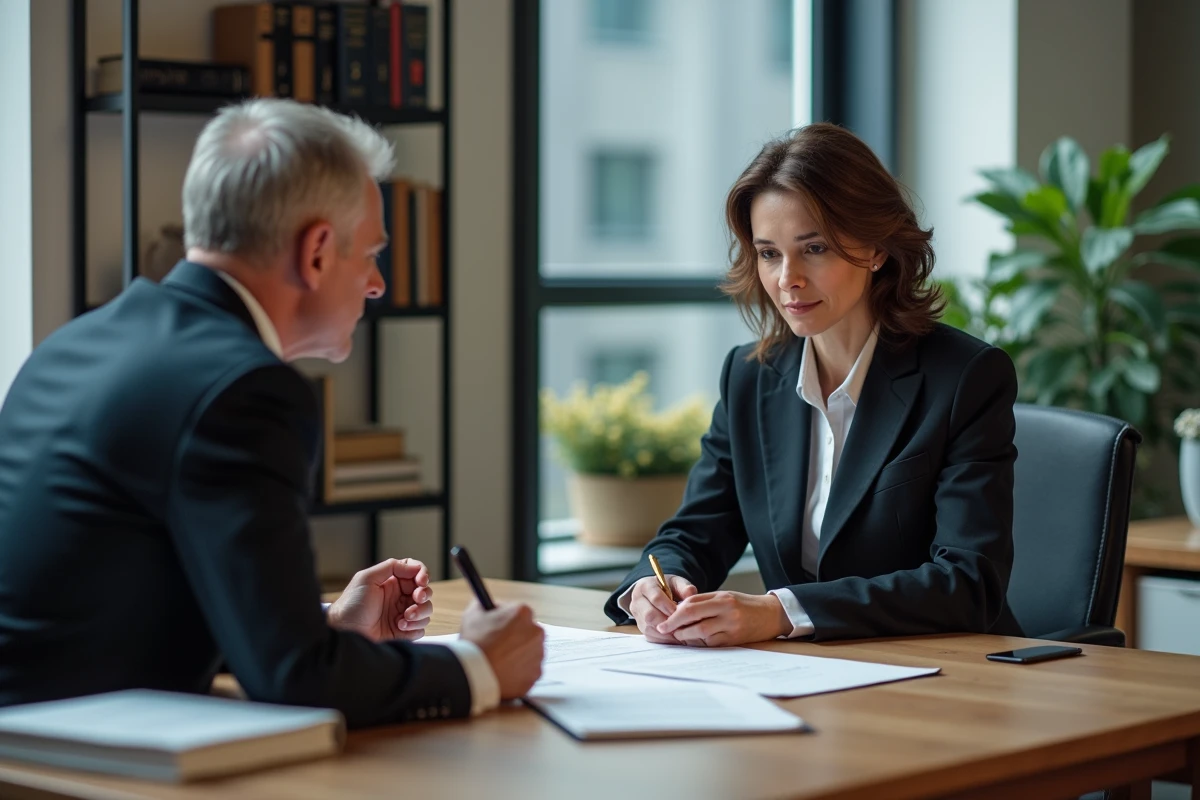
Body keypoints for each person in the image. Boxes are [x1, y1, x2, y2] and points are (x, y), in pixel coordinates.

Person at [0, 98, 544, 726]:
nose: (377, 285)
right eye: (371, 254)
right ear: (317, 252)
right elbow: (296, 682)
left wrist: (326, 629)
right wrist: (478, 665)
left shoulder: (75, 343)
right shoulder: (243, 389)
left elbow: (122, 613)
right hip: (81, 760)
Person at [606, 123, 1024, 647]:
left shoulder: (965, 377)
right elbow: (697, 530)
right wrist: (657, 582)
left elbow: (968, 583)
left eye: (815, 248)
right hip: (808, 675)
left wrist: (781, 613)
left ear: (875, 248)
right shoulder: (750, 377)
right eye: (769, 253)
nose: (788, 279)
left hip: (948, 671)